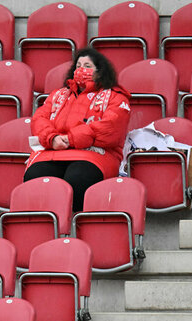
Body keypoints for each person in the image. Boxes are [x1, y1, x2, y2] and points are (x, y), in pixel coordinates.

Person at [25, 47, 131, 212]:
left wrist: (70, 139)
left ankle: (76, 228)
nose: (82, 69)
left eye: (88, 66)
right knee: (35, 176)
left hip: (95, 154)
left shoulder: (116, 96)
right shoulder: (58, 95)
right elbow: (39, 119)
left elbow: (111, 127)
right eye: (79, 65)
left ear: (100, 71)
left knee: (78, 178)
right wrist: (52, 138)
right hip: (54, 151)